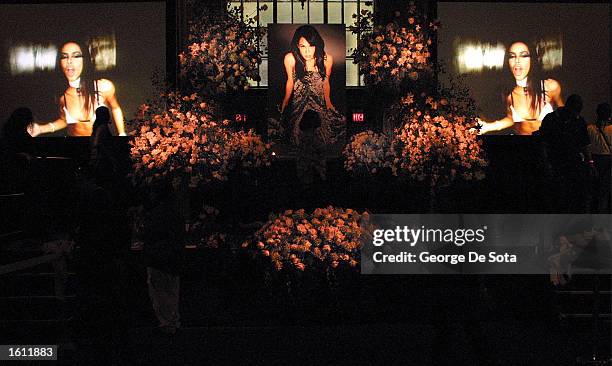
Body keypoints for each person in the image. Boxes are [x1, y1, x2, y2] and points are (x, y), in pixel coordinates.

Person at [29, 41, 125, 137]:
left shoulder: (104, 86)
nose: (69, 61)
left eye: (76, 56)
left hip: (99, 145)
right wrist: (41, 129)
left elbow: (115, 108)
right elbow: (64, 120)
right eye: (64, 57)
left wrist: (122, 133)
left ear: (85, 60)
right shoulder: (63, 96)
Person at [479, 41, 563, 135]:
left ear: (532, 60)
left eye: (524, 55)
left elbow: (568, 116)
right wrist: (487, 127)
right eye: (512, 56)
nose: (517, 60)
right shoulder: (509, 93)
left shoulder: (551, 86)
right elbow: (511, 119)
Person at [280, 25, 345, 145]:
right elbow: (290, 81)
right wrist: (285, 100)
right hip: (299, 103)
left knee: (323, 134)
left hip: (318, 102)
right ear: (297, 46)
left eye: (311, 46)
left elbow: (326, 82)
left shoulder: (326, 59)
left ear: (317, 45)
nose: (307, 51)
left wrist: (328, 102)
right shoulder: (290, 59)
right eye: (303, 46)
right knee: (297, 134)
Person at [538, 94, 594, 212]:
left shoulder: (553, 119)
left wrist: (590, 162)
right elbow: (543, 143)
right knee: (561, 197)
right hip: (558, 163)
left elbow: (584, 144)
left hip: (566, 163)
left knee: (569, 196)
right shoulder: (553, 119)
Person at [587, 103, 611, 212]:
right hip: (607, 162)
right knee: (604, 193)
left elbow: (586, 148)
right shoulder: (591, 129)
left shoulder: (590, 129)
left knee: (595, 193)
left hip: (595, 161)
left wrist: (590, 162)